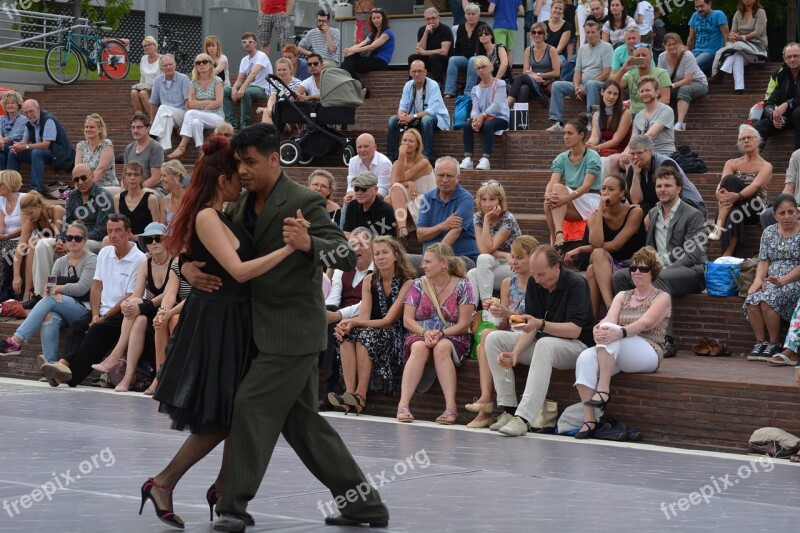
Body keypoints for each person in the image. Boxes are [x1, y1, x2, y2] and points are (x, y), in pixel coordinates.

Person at [174, 124, 389, 531]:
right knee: (305, 426)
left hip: (291, 333)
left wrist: (310, 245)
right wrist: (186, 267)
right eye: (240, 163)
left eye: (252, 162)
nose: (245, 170)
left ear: (275, 158)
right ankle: (365, 506)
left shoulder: (304, 200)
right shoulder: (240, 201)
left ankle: (232, 505)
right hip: (253, 330)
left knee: (249, 406)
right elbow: (204, 243)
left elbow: (346, 254)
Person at [142, 135, 296, 530]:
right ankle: (165, 482)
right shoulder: (209, 216)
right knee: (223, 416)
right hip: (218, 323)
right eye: (236, 173)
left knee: (234, 412)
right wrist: (289, 249)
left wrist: (188, 266)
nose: (242, 179)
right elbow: (239, 271)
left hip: (231, 320)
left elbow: (194, 255)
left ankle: (221, 487)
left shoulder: (222, 213)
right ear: (221, 179)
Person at [486, 244, 594, 436]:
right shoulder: (535, 284)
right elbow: (530, 326)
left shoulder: (577, 283)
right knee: (494, 338)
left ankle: (524, 418)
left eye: (541, 274)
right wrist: (515, 353)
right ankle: (509, 410)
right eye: (534, 274)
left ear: (557, 267)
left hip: (577, 348)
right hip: (545, 342)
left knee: (544, 344)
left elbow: (575, 330)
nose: (536, 279)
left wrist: (541, 324)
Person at [574, 245, 670, 438]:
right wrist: (599, 328)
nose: (637, 272)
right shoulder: (622, 295)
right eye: (633, 268)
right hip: (620, 348)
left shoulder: (662, 297)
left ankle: (603, 389)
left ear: (653, 272)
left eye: (643, 269)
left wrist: (620, 332)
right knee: (584, 357)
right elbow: (609, 318)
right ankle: (589, 419)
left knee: (614, 332)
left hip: (649, 350)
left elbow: (646, 323)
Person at [39, 215, 146, 388]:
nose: (113, 235)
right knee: (72, 324)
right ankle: (61, 365)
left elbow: (126, 295)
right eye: (69, 238)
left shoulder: (135, 258)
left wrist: (102, 317)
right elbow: (94, 287)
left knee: (94, 331)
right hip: (95, 308)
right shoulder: (66, 260)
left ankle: (67, 376)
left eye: (77, 238)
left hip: (114, 311)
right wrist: (95, 314)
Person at [612, 166, 708, 358]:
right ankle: (628, 328)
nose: (662, 189)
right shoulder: (654, 213)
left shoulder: (693, 215)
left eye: (668, 186)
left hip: (692, 271)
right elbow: (649, 250)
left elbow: (692, 255)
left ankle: (667, 341)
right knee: (620, 277)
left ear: (679, 188)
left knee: (658, 279)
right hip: (660, 269)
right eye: (659, 186)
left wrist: (659, 271)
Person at [330, 236, 415, 410]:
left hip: (395, 334)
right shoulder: (369, 279)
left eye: (385, 253)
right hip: (371, 328)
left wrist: (356, 323)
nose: (381, 257)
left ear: (396, 256)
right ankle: (349, 393)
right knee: (346, 335)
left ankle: (361, 396)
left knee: (364, 336)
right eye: (377, 254)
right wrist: (348, 323)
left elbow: (388, 321)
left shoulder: (408, 282)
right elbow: (364, 316)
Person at [396, 242, 476, 424]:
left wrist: (440, 333)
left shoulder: (464, 286)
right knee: (418, 348)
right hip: (421, 332)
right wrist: (425, 332)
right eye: (423, 262)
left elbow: (464, 324)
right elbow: (407, 320)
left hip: (452, 334)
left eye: (428, 262)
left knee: (441, 348)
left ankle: (450, 408)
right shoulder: (417, 285)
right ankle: (403, 405)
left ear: (443, 264)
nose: (422, 266)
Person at [465, 235, 538, 428]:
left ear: (533, 258)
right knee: (484, 342)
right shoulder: (508, 283)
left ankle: (488, 404)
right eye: (512, 256)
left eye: (519, 257)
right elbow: (505, 325)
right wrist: (496, 312)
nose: (513, 262)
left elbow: (534, 321)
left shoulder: (539, 283)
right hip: (511, 334)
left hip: (532, 335)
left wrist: (508, 312)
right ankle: (489, 405)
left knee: (489, 338)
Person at [91, 222, 173, 392]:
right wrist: (128, 304)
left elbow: (169, 294)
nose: (154, 243)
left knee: (138, 310)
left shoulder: (174, 262)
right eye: (149, 240)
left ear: (166, 240)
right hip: (150, 309)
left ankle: (116, 357)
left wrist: (140, 305)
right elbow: (137, 293)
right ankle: (127, 377)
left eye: (158, 238)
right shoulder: (146, 263)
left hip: (169, 308)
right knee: (136, 312)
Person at [0, 223, 95, 365]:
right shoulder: (60, 261)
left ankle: (16, 340)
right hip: (62, 307)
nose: (73, 241)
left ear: (85, 240)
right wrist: (51, 290)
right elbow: (50, 288)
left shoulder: (92, 260)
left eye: (78, 238)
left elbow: (82, 288)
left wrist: (57, 289)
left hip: (84, 310)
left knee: (50, 299)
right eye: (69, 238)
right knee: (48, 317)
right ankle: (51, 366)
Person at [27, 165, 111, 307]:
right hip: (72, 238)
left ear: (92, 176)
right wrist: (61, 239)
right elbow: (66, 223)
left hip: (92, 240)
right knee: (43, 244)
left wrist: (74, 240)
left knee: (84, 243)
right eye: (76, 179)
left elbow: (102, 229)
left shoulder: (103, 196)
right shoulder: (73, 195)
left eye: (84, 178)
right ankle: (41, 294)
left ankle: (74, 294)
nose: (80, 182)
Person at [565, 175, 645, 320]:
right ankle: (599, 317)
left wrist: (581, 249)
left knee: (595, 261)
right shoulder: (594, 216)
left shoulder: (634, 212)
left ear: (621, 193)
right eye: (603, 189)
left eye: (611, 189)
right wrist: (600, 212)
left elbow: (615, 245)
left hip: (631, 262)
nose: (605, 193)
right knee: (594, 260)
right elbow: (596, 243)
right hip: (608, 263)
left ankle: (608, 311)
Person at [321, 227, 374, 410]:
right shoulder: (342, 267)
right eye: (353, 244)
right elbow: (334, 299)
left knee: (335, 326)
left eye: (361, 244)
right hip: (341, 313)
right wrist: (325, 314)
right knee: (326, 323)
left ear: (372, 246)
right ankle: (324, 388)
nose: (356, 248)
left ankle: (329, 388)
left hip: (366, 316)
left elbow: (368, 304)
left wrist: (339, 316)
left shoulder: (377, 270)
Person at [743, 194, 800, 361]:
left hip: (794, 280)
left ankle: (774, 342)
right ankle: (761, 342)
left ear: (797, 212)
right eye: (782, 213)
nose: (787, 216)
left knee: (767, 298)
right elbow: (763, 260)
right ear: (774, 215)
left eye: (791, 212)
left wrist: (782, 280)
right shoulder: (768, 232)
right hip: (771, 279)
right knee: (753, 298)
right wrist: (758, 280)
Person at [708, 125, 772, 256]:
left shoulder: (765, 166)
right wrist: (718, 195)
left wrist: (737, 196)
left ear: (758, 140)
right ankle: (729, 254)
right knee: (735, 211)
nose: (746, 141)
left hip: (755, 206)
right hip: (735, 205)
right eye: (742, 139)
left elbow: (756, 186)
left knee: (732, 180)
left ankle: (718, 226)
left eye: (749, 138)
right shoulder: (731, 163)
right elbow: (722, 184)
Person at [544, 116, 602, 250]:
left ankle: (558, 235)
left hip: (591, 199)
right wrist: (547, 195)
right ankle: (557, 243)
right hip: (571, 199)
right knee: (549, 201)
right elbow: (553, 181)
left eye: (570, 133)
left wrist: (563, 199)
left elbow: (587, 186)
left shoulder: (592, 156)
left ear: (581, 135)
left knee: (558, 189)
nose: (565, 136)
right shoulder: (562, 157)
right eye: (564, 133)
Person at [547, 20, 613, 131]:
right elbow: (577, 72)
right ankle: (557, 122)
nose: (590, 35)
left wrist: (586, 87)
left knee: (591, 84)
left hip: (599, 85)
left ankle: (591, 121)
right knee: (557, 85)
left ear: (599, 33)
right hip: (582, 84)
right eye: (587, 32)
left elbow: (606, 72)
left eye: (593, 32)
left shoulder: (607, 47)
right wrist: (577, 87)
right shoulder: (582, 49)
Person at [618, 135, 706, 218]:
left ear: (650, 151)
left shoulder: (665, 164)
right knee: (635, 210)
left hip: (691, 205)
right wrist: (636, 174)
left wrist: (650, 214)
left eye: (639, 153)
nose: (635, 157)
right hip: (661, 204)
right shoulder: (633, 169)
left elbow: (671, 195)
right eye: (632, 154)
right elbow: (636, 201)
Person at [467, 180, 522, 305]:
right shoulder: (479, 217)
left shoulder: (508, 219)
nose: (487, 204)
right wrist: (486, 220)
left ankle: (485, 307)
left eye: (492, 199)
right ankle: (472, 314)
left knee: (474, 272)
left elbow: (487, 249)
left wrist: (507, 256)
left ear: (500, 201)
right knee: (481, 261)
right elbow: (483, 250)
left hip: (513, 265)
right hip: (494, 261)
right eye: (483, 199)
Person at [417, 156, 479, 267]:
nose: (445, 180)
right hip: (429, 260)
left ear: (458, 177)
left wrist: (435, 259)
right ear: (435, 176)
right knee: (403, 262)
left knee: (444, 268)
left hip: (460, 257)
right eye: (441, 175)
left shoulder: (466, 198)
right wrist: (443, 226)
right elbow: (421, 235)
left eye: (449, 176)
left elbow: (455, 232)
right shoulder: (427, 198)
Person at [387, 61, 450, 164]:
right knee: (393, 120)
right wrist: (401, 116)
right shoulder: (408, 85)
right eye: (414, 71)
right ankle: (392, 157)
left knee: (426, 119)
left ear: (425, 72)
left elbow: (432, 110)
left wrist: (412, 116)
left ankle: (427, 156)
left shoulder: (433, 85)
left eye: (419, 71)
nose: (417, 74)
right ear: (410, 73)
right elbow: (402, 106)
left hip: (436, 118)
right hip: (414, 118)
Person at [7, 99, 74, 195]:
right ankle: (10, 185)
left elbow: (46, 145)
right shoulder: (28, 122)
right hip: (41, 151)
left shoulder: (48, 120)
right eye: (26, 112)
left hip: (57, 153)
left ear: (38, 109)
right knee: (13, 153)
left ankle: (36, 188)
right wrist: (17, 146)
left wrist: (25, 146)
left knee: (36, 152)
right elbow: (25, 141)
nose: (28, 114)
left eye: (31, 111)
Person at [167, 54, 224, 160]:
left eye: (204, 62)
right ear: (196, 66)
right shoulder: (193, 82)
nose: (201, 64)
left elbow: (219, 103)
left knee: (190, 113)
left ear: (210, 64)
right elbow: (191, 103)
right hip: (199, 116)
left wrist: (199, 104)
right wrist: (207, 102)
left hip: (216, 116)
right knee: (195, 122)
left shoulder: (217, 80)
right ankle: (201, 151)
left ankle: (182, 146)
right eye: (198, 63)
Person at [12, 191, 64, 303]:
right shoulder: (31, 221)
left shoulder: (56, 210)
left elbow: (57, 239)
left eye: (30, 213)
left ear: (39, 207)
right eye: (25, 214)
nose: (28, 217)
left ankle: (41, 292)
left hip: (65, 246)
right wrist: (16, 276)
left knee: (35, 242)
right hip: (46, 250)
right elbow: (20, 248)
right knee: (32, 244)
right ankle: (29, 291)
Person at [460, 55, 510, 172]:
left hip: (501, 118)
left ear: (491, 68)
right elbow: (475, 109)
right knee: (467, 124)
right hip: (483, 118)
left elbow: (497, 105)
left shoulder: (500, 84)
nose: (481, 70)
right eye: (478, 68)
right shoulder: (475, 89)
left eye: (484, 67)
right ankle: (468, 158)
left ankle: (485, 159)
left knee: (488, 125)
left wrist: (483, 116)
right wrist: (475, 118)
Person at [710, 0, 767, 94]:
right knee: (737, 55)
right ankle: (739, 89)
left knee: (736, 48)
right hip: (740, 49)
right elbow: (732, 31)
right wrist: (732, 37)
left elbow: (758, 32)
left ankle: (721, 73)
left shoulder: (760, 12)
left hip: (757, 48)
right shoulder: (738, 13)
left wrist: (742, 38)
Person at [388, 129, 436, 238]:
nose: (406, 143)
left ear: (417, 145)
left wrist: (401, 155)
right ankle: (401, 231)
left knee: (391, 203)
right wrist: (409, 183)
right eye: (404, 140)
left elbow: (399, 179)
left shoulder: (423, 162)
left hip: (426, 201)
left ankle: (395, 238)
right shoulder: (396, 164)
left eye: (411, 141)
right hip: (410, 201)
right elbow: (393, 185)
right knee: (389, 198)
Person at [753, 43, 800, 152]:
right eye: (789, 57)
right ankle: (748, 165)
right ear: (784, 58)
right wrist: (773, 115)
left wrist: (788, 104)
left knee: (798, 113)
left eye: (796, 56)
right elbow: (768, 101)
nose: (792, 59)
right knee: (758, 127)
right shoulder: (778, 75)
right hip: (785, 119)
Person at [657, 32, 708, 131]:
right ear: (665, 46)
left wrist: (671, 86)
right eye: (669, 44)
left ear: (680, 44)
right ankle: (659, 121)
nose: (672, 47)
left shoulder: (688, 55)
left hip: (697, 83)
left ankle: (680, 123)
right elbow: (660, 76)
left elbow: (688, 79)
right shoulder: (662, 57)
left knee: (684, 89)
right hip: (675, 85)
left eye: (674, 44)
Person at [341, 7, 395, 99]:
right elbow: (361, 44)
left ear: (383, 19)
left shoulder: (387, 33)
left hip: (380, 62)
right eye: (373, 18)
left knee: (345, 66)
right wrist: (348, 50)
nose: (376, 20)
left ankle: (361, 88)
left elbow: (372, 46)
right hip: (372, 60)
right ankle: (363, 89)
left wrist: (352, 51)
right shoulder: (373, 33)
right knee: (348, 61)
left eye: (378, 17)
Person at [223, 32, 273, 129]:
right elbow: (239, 79)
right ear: (242, 44)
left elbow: (253, 73)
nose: (247, 44)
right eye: (244, 42)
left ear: (255, 44)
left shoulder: (261, 56)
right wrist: (234, 89)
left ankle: (244, 123)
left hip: (263, 89)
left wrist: (242, 88)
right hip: (250, 88)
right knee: (225, 91)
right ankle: (232, 121)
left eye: (250, 41)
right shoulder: (244, 60)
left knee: (246, 92)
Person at [506, 23, 562, 107]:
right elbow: (525, 70)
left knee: (521, 78)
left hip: (546, 84)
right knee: (524, 88)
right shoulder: (528, 50)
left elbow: (557, 72)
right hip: (533, 82)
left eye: (540, 32)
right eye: (534, 32)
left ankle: (507, 104)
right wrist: (534, 76)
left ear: (544, 34)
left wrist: (538, 75)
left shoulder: (551, 49)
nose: (536, 35)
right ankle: (520, 118)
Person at [612, 42, 671, 115]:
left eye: (644, 55)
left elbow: (665, 99)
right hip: (633, 114)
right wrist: (623, 69)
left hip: (653, 113)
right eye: (638, 55)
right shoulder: (630, 74)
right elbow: (613, 85)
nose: (641, 57)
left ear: (651, 58)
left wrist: (646, 112)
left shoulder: (661, 73)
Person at [444, 3, 489, 98]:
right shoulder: (460, 27)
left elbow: (487, 45)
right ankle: (449, 91)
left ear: (478, 15)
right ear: (465, 15)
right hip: (465, 58)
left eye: (473, 14)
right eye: (468, 14)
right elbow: (458, 45)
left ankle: (468, 92)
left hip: (479, 58)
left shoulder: (483, 26)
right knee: (452, 59)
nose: (471, 16)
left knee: (473, 60)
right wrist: (457, 56)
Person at [343, 133, 392, 220]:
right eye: (359, 147)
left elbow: (382, 191)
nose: (362, 150)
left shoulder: (385, 163)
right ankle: (344, 231)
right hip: (359, 196)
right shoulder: (353, 161)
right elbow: (351, 185)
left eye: (366, 146)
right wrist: (350, 195)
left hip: (379, 200)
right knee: (347, 203)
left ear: (375, 147)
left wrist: (362, 197)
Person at [149, 55, 191, 151]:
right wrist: (151, 122)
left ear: (175, 65)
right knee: (166, 117)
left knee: (163, 108)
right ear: (161, 69)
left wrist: (186, 124)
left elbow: (187, 102)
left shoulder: (183, 78)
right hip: (166, 115)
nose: (168, 67)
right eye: (165, 65)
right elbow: (153, 103)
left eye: (170, 64)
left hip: (182, 115)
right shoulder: (158, 80)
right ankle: (164, 149)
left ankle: (152, 136)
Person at [341, 172, 397, 237]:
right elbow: (347, 232)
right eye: (356, 189)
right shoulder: (352, 206)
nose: (359, 193)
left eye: (363, 189)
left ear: (375, 190)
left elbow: (385, 241)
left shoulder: (385, 210)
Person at [586, 79, 632, 156]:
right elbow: (595, 137)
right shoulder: (597, 115)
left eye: (615, 94)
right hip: (604, 150)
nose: (611, 97)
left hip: (622, 152)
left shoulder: (625, 113)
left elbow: (616, 141)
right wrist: (589, 145)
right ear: (602, 92)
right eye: (609, 92)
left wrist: (597, 147)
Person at [631, 75, 675, 154]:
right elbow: (633, 139)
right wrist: (625, 154)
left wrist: (633, 152)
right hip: (644, 155)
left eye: (648, 90)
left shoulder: (666, 110)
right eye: (642, 91)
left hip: (665, 155)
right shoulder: (638, 116)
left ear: (657, 93)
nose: (644, 93)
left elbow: (650, 135)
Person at [113, 163, 160, 237]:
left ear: (141, 177)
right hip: (125, 240)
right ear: (124, 177)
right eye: (129, 174)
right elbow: (118, 225)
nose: (132, 178)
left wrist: (135, 237)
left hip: (146, 241)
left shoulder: (151, 199)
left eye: (136, 175)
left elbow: (157, 229)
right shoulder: (118, 198)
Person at [408, 7, 452, 84]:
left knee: (434, 56)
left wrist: (425, 52)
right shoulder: (422, 30)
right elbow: (419, 50)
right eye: (428, 19)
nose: (431, 21)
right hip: (429, 60)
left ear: (438, 18)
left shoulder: (445, 29)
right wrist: (426, 33)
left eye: (433, 18)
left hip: (443, 61)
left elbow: (444, 51)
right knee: (412, 57)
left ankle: (438, 84)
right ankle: (412, 83)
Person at [74, 113, 118, 187]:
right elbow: (77, 171)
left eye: (92, 127)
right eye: (86, 127)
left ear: (100, 129)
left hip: (106, 187)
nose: (88, 129)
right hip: (84, 187)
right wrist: (78, 190)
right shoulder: (80, 146)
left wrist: (86, 187)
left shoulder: (106, 144)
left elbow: (101, 169)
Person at [124, 112, 164, 190]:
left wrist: (137, 189)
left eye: (139, 127)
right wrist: (123, 190)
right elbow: (125, 175)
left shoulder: (155, 147)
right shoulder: (128, 148)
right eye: (133, 127)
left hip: (153, 189)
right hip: (132, 188)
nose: (135, 131)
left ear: (148, 128)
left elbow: (155, 178)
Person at [686, 0, 729, 73]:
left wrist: (726, 54)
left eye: (701, 6)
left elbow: (726, 36)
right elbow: (691, 37)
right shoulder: (695, 16)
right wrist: (686, 53)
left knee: (692, 66)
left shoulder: (718, 14)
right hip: (697, 50)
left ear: (709, 3)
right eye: (697, 7)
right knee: (680, 64)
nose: (699, 9)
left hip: (712, 51)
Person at [761, 148, 800, 228]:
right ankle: (777, 240)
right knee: (767, 215)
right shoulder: (797, 155)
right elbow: (789, 187)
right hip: (797, 204)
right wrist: (783, 205)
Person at [256, 58, 301, 126]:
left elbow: (290, 101)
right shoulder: (276, 83)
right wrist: (270, 108)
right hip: (279, 112)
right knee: (267, 112)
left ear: (290, 70)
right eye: (279, 70)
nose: (281, 72)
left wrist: (267, 109)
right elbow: (272, 97)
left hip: (291, 115)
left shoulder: (298, 83)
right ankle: (268, 134)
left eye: (284, 69)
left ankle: (266, 134)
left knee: (266, 113)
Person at [488, 0, 525, 68]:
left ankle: (501, 71)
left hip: (499, 25)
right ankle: (509, 72)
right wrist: (512, 13)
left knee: (500, 50)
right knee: (509, 51)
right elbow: (522, 12)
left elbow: (490, 11)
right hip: (511, 26)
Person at [131, 36, 162, 112]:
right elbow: (143, 76)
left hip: (157, 87)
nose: (147, 47)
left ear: (155, 45)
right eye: (145, 46)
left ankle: (153, 119)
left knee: (143, 93)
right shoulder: (143, 58)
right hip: (146, 86)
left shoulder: (161, 58)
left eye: (149, 45)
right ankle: (141, 118)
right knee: (134, 92)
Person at [0, 91, 26, 170]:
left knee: (10, 151)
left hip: (16, 147)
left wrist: (1, 141)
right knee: (0, 157)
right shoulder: (1, 118)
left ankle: (11, 180)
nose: (10, 105)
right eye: (7, 103)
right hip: (3, 148)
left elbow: (15, 136)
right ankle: (3, 180)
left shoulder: (23, 119)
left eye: (13, 103)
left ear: (18, 105)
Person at [159, 159, 188, 227]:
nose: (161, 179)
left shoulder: (191, 198)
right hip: (169, 237)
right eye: (161, 176)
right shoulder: (164, 201)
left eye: (164, 175)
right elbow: (162, 231)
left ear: (177, 177)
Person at [544, 0, 573, 66]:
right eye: (555, 8)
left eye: (560, 9)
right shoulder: (544, 25)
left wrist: (546, 59)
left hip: (559, 56)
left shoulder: (567, 26)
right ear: (551, 9)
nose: (557, 10)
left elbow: (559, 49)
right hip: (544, 54)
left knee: (555, 62)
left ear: (563, 11)